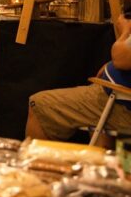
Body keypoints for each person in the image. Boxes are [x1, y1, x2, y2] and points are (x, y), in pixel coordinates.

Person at [25, 14, 131, 146]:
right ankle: (98, 162)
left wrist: (125, 29)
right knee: (98, 130)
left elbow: (122, 58)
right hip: (116, 92)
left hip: (121, 100)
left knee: (40, 105)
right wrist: (112, 63)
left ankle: (36, 165)